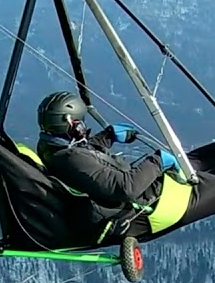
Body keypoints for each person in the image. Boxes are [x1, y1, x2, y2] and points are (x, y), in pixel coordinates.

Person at [33, 90, 179, 210]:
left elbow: (84, 154)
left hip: (134, 188)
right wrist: (157, 161)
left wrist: (107, 136)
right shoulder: (71, 160)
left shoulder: (50, 147)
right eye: (81, 121)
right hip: (148, 203)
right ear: (73, 124)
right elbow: (126, 189)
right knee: (193, 167)